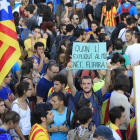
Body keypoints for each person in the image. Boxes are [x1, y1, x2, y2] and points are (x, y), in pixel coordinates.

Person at [67, 61, 111, 127]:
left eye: (88, 83)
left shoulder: (97, 95)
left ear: (92, 85)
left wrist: (108, 70)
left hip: (96, 131)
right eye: (84, 84)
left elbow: (107, 84)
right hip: (82, 132)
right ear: (81, 85)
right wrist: (70, 70)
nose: (86, 86)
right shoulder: (78, 96)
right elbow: (70, 85)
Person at [109, 74, 134, 140]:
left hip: (114, 125)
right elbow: (126, 116)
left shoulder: (114, 93)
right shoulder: (122, 97)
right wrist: (131, 102)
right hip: (122, 127)